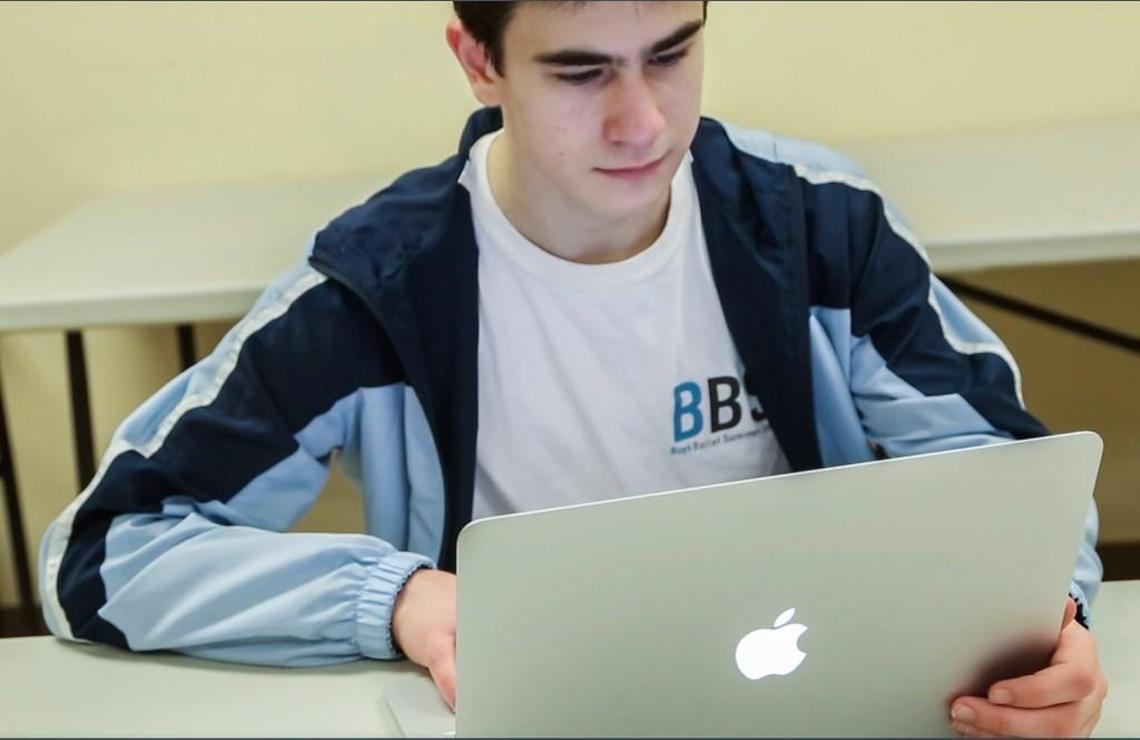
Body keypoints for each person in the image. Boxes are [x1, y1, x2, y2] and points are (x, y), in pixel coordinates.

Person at [37, 2, 1106, 736]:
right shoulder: (379, 290)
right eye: (581, 71)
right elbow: (103, 552)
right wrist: (395, 595)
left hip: (819, 705)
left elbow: (1009, 481)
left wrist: (1048, 627)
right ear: (477, 59)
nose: (643, 121)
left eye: (670, 54)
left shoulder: (814, 226)